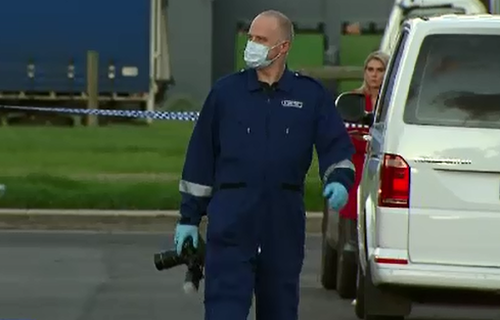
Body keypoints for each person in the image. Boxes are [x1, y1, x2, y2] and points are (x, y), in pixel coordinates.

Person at [173, 10, 355, 320]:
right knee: (224, 311)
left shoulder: (309, 96)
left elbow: (336, 146)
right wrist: (189, 217)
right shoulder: (226, 94)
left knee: (280, 310)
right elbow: (201, 157)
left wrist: (338, 179)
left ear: (282, 47)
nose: (252, 45)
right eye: (251, 37)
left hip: (282, 222)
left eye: (261, 39)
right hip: (232, 219)